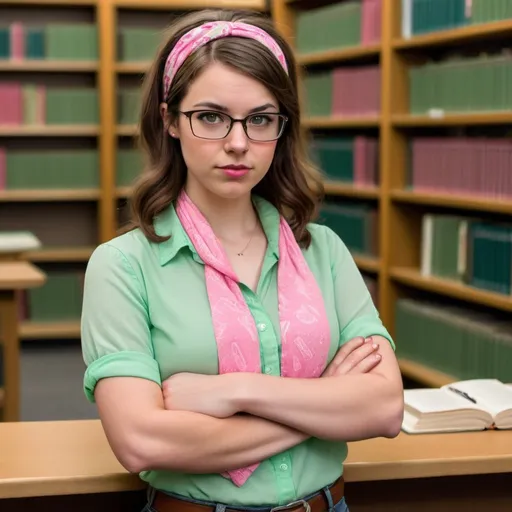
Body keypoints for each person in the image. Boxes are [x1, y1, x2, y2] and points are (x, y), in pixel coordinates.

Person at [80, 8, 404, 512]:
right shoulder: (121, 266)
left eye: (260, 120)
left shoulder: (325, 251)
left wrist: (235, 392)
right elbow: (142, 441)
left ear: (282, 126)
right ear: (169, 119)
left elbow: (383, 408)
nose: (237, 143)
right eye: (210, 117)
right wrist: (324, 404)